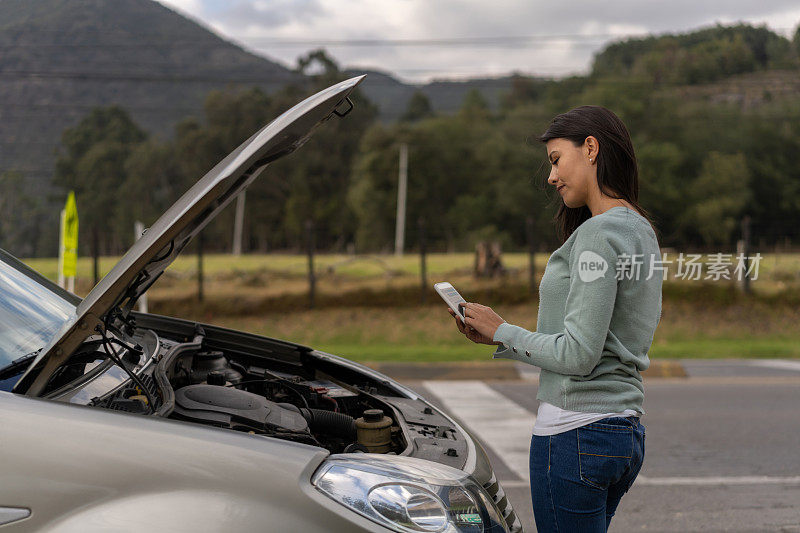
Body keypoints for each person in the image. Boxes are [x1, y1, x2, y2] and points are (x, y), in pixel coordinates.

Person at [448, 105, 663, 532]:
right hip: (622, 434)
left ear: (590, 148)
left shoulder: (599, 235)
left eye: (555, 160)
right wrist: (500, 339)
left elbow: (580, 355)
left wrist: (502, 330)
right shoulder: (641, 229)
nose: (551, 177)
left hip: (576, 431)